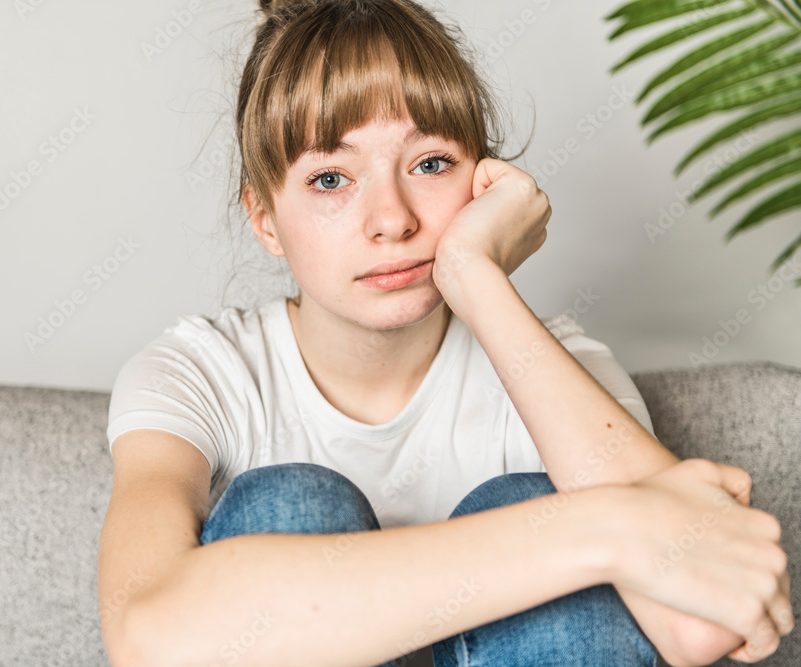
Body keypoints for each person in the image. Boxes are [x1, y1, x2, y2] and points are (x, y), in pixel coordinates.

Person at [98, 1, 794, 665]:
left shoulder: (556, 365)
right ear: (265, 219)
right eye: (331, 178)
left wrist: (475, 275)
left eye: (430, 164)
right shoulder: (202, 374)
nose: (392, 219)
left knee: (528, 501)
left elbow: (701, 621)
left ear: (484, 185)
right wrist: (607, 529)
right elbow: (147, 633)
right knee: (289, 506)